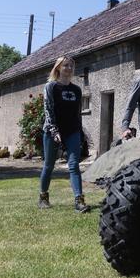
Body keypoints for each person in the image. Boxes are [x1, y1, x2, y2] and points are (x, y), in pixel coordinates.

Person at [38, 56, 90, 213]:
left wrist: (81, 134)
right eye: (65, 65)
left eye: (71, 66)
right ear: (58, 68)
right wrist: (54, 130)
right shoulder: (51, 87)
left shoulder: (76, 90)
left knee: (74, 165)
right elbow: (48, 109)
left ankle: (79, 201)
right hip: (52, 131)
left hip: (72, 131)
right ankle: (43, 197)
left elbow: (77, 114)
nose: (68, 68)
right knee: (49, 165)